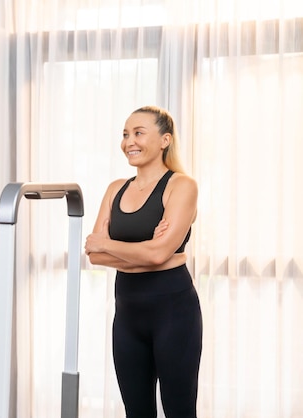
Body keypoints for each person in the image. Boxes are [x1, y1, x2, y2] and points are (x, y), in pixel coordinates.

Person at [84, 106, 202, 418]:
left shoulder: (181, 185)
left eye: (138, 133)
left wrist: (110, 244)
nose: (128, 141)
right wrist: (150, 250)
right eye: (125, 134)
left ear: (165, 140)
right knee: (136, 412)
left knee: (179, 410)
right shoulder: (115, 189)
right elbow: (94, 255)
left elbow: (154, 254)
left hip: (174, 314)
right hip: (127, 316)